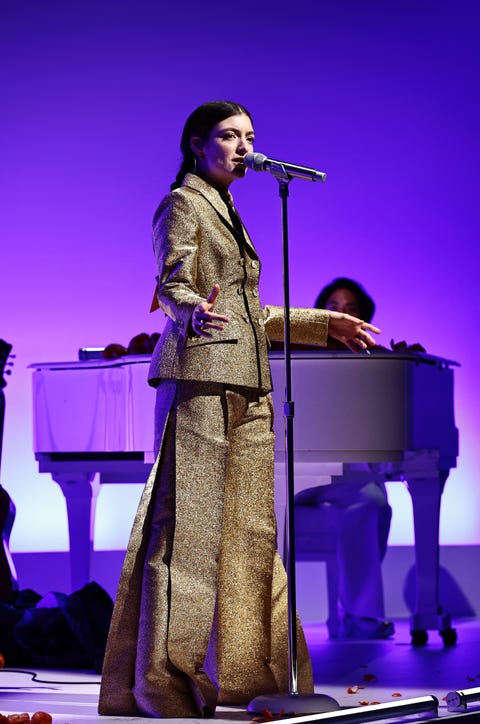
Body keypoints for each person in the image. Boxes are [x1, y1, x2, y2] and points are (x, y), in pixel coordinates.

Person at [98, 102, 380, 718]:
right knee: (188, 536)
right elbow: (173, 284)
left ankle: (250, 678)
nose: (243, 147)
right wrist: (191, 310)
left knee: (253, 537)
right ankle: (163, 684)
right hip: (200, 379)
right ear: (197, 145)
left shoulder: (234, 211)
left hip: (251, 388)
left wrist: (322, 323)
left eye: (250, 137)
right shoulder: (183, 203)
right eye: (230, 136)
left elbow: (253, 313)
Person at [295, 277, 394, 639]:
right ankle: (263, 625)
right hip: (290, 467)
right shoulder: (294, 354)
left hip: (342, 472)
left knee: (371, 502)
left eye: (350, 309)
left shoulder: (375, 363)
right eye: (333, 307)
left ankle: (360, 615)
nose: (341, 314)